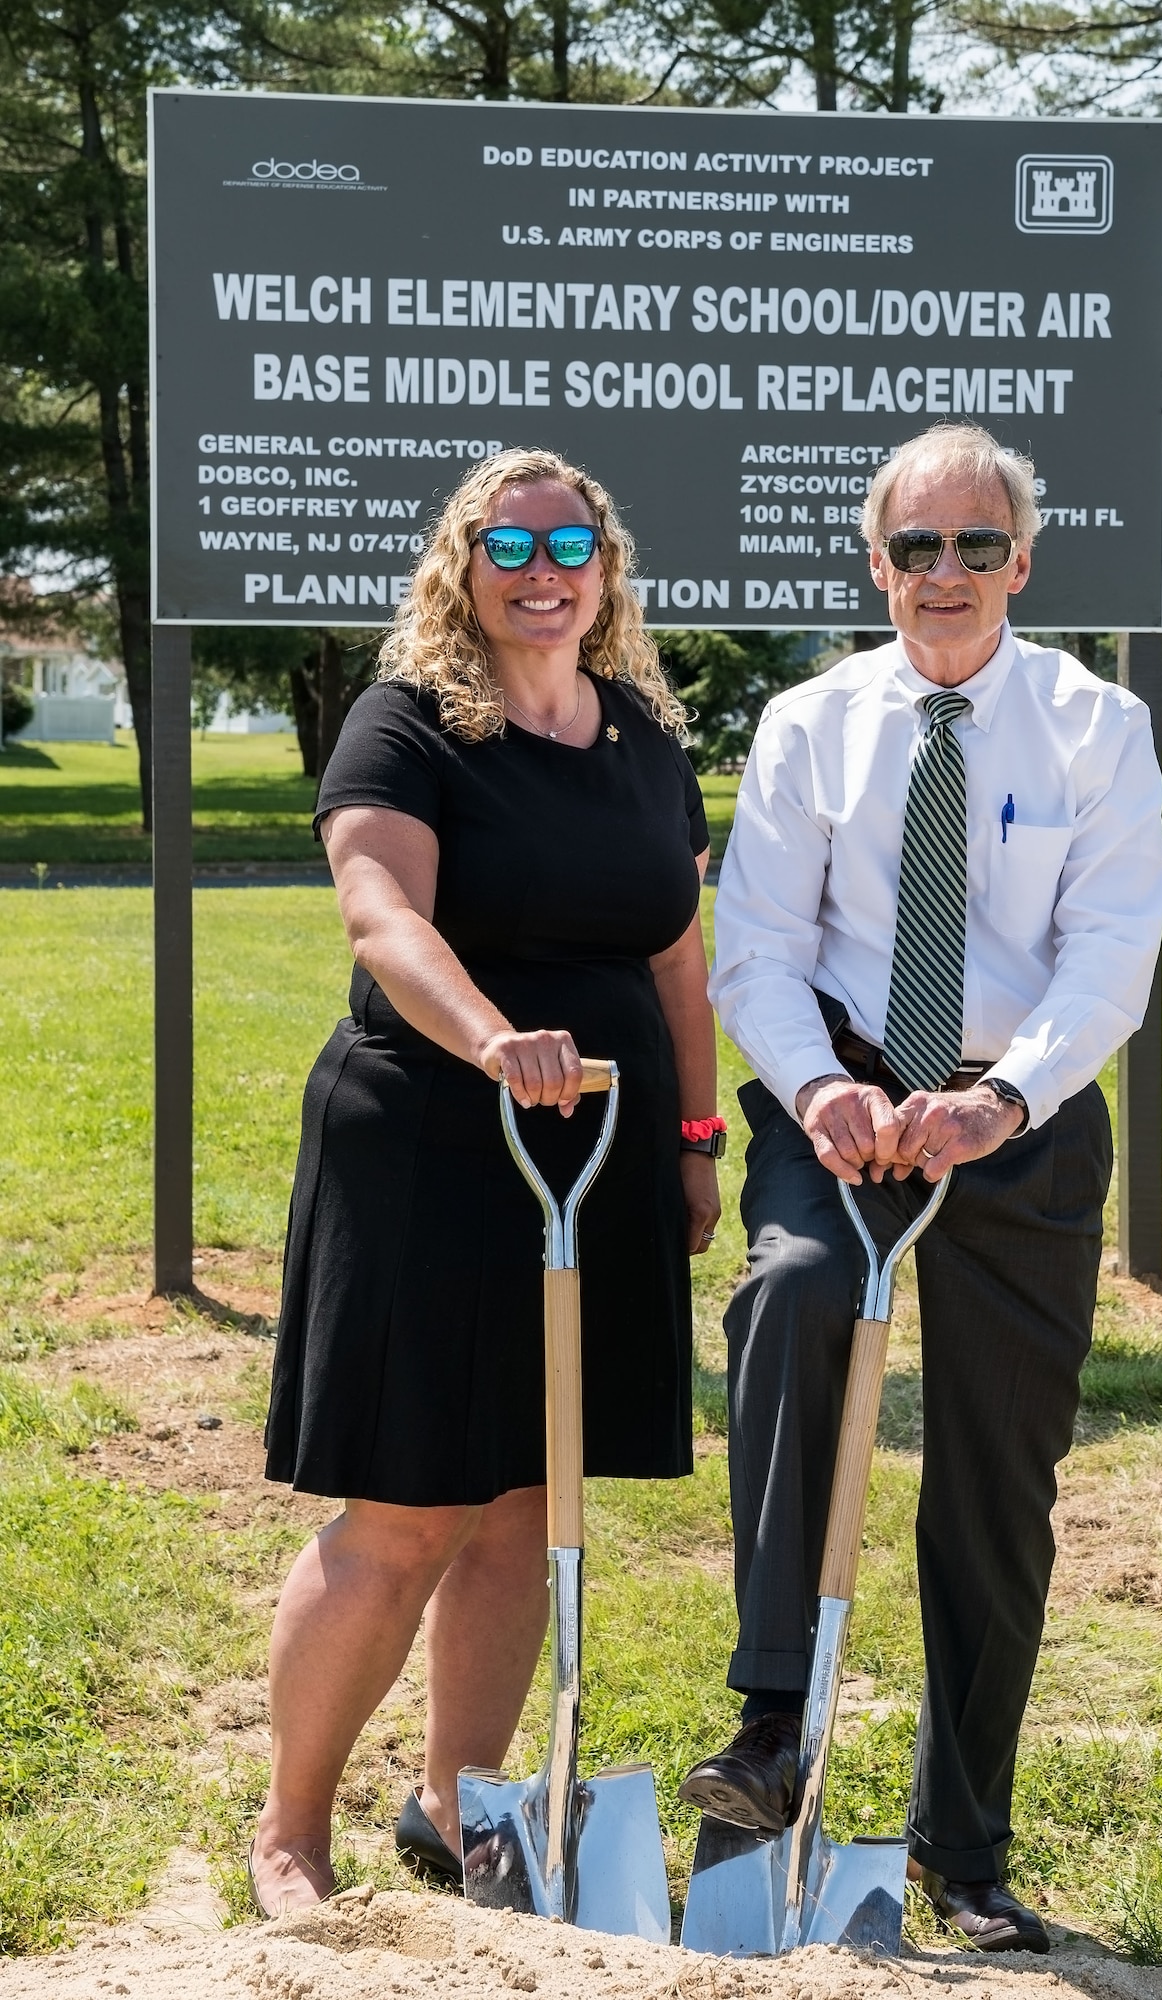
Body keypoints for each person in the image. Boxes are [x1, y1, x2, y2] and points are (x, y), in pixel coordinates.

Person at [679, 422, 1162, 1952]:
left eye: (974, 546)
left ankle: (965, 1846)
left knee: (991, 1474)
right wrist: (824, 1090)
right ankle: (770, 1725)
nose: (941, 575)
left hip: (1020, 1116)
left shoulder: (1097, 727)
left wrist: (1001, 1098)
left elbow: (1109, 946)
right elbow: (754, 938)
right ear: (875, 564)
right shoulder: (809, 722)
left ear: (1022, 562)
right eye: (913, 548)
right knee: (796, 1299)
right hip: (841, 1100)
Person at [251, 448, 721, 1917]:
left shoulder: (643, 733)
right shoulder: (406, 726)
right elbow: (379, 909)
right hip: (435, 1145)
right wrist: (492, 1037)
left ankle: (460, 1807)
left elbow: (676, 957)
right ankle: (290, 1833)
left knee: (527, 1497)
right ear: (464, 567)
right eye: (507, 544)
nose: (541, 567)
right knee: (408, 1505)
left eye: (568, 541)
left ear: (606, 568)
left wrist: (698, 1143)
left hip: (600, 1149)